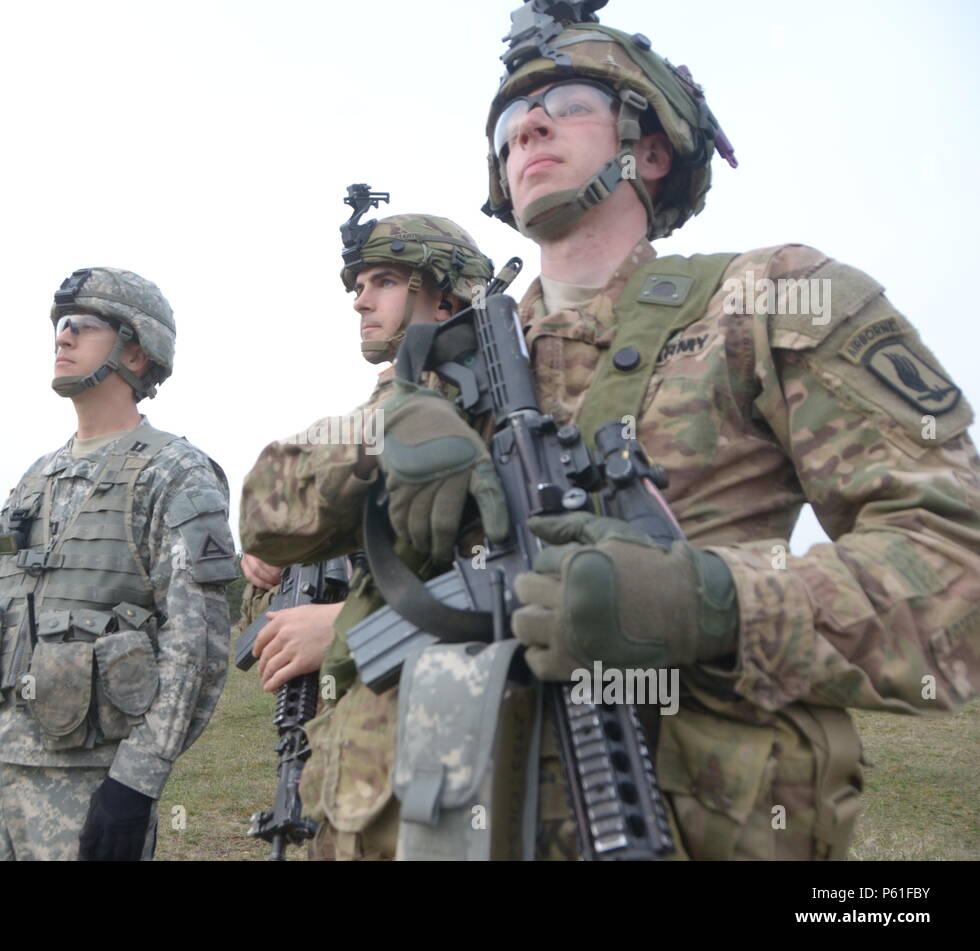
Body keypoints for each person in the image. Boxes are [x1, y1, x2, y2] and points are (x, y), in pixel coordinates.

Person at [243, 1, 980, 861]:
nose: (530, 127)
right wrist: (390, 429)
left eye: (569, 103)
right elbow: (265, 515)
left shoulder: (775, 300)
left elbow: (952, 564)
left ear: (651, 146)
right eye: (513, 119)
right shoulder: (444, 361)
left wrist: (714, 602)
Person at [0, 266, 236, 861]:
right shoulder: (36, 476)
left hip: (89, 779)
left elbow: (196, 646)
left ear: (137, 349)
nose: (62, 338)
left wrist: (137, 782)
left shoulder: (175, 474)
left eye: (83, 325)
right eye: (59, 326)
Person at [241, 208, 497, 859]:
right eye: (357, 282)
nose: (360, 298)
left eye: (382, 279)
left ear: (444, 291)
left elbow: (518, 570)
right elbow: (271, 517)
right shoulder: (398, 401)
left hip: (459, 745)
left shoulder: (483, 400)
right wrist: (271, 568)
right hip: (369, 743)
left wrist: (349, 625)